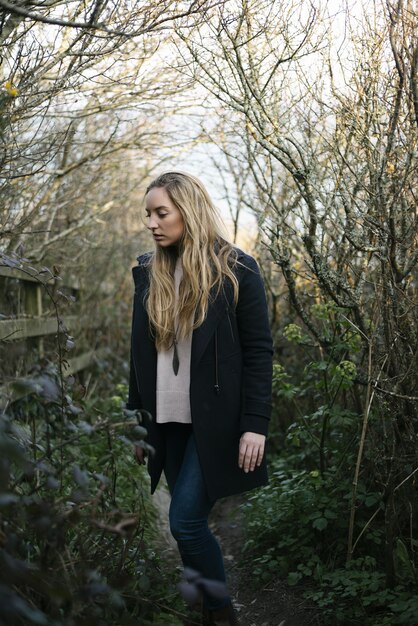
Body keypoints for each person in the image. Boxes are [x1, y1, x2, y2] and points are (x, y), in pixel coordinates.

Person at [127, 171, 273, 626]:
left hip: (218, 420)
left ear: (187, 212)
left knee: (185, 521)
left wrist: (255, 422)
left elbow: (259, 351)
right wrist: (136, 419)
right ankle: (198, 596)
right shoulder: (148, 272)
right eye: (148, 213)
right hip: (167, 418)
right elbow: (137, 354)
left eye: (161, 212)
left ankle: (221, 611)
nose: (152, 222)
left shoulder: (237, 270)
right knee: (187, 523)